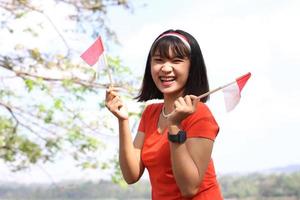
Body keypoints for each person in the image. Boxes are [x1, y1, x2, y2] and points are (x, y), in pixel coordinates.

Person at [105, 29, 223, 200]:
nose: (166, 68)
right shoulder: (150, 113)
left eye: (176, 61)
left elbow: (189, 188)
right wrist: (123, 120)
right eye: (158, 60)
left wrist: (174, 126)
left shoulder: (200, 114)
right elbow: (131, 175)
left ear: (191, 67)